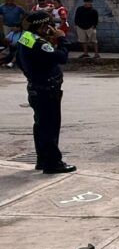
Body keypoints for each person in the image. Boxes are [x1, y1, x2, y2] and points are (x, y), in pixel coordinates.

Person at [17, 10, 75, 174]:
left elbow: (19, 61)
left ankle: (42, 160)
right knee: (50, 127)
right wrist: (62, 38)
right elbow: (61, 57)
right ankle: (53, 163)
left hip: (36, 87)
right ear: (42, 26)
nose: (52, 27)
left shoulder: (26, 38)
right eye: (50, 24)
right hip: (47, 90)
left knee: (41, 126)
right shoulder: (39, 43)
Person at [1, 0, 26, 64]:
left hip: (16, 26)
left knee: (17, 40)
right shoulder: (2, 7)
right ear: (6, 1)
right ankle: (8, 55)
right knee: (7, 40)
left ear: (13, 1)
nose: (10, 2)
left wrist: (21, 20)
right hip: (6, 26)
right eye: (8, 0)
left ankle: (16, 55)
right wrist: (2, 20)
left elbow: (25, 13)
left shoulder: (18, 7)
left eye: (11, 0)